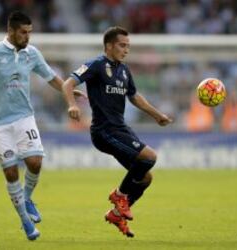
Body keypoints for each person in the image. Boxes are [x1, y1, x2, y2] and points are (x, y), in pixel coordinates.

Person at [0, 11, 84, 240]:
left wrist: (68, 91)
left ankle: (27, 198)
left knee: (35, 162)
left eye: (30, 32)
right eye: (23, 32)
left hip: (24, 117)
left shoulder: (32, 54)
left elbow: (51, 77)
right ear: (11, 31)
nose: (27, 37)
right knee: (10, 171)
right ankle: (26, 222)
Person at [62, 26, 173, 237]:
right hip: (104, 130)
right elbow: (68, 83)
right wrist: (72, 105)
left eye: (128, 46)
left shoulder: (124, 70)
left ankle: (116, 214)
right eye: (122, 45)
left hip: (120, 128)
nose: (126, 50)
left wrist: (157, 114)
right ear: (109, 46)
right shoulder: (96, 65)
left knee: (146, 177)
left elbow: (134, 96)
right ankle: (119, 196)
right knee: (149, 156)